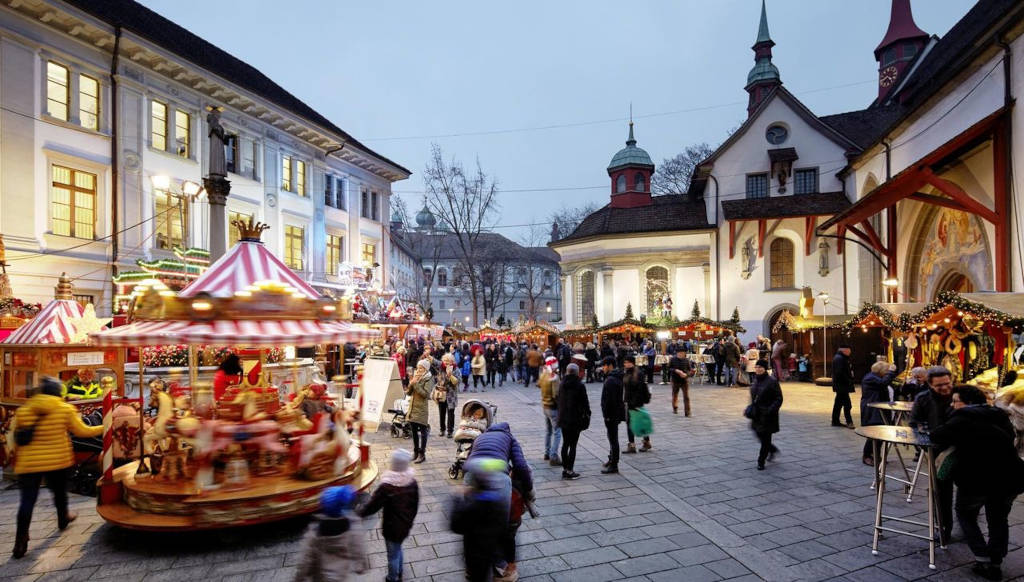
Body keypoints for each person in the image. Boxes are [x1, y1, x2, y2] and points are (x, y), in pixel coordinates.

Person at [930, 385, 1024, 581]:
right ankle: (996, 562)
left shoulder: (962, 418)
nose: (953, 404)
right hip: (1010, 477)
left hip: (976, 479)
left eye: (956, 401)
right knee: (999, 519)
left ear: (967, 403)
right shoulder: (999, 414)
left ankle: (983, 558)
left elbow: (936, 435)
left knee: (966, 514)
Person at [11, 377, 104, 559]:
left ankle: (20, 538)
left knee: (27, 501)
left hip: (29, 463)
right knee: (60, 492)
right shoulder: (64, 409)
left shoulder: (25, 409)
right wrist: (104, 426)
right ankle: (63, 518)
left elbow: (17, 437)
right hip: (57, 461)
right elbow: (82, 431)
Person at [465, 423, 534, 580]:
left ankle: (472, 567)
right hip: (498, 479)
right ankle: (504, 569)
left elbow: (467, 462)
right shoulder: (510, 438)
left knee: (474, 524)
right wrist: (528, 489)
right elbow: (521, 466)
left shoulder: (480, 437)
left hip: (473, 475)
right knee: (502, 527)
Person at [357, 450, 419, 582]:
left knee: (392, 555)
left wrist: (359, 513)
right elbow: (415, 504)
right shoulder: (412, 482)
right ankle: (400, 572)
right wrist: (409, 520)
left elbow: (372, 506)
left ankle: (392, 578)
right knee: (398, 549)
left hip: (391, 528)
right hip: (405, 525)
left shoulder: (387, 487)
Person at [911, 365, 956, 542]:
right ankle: (944, 529)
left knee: (969, 493)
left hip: (963, 449)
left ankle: (968, 524)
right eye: (939, 386)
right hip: (938, 451)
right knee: (942, 491)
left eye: (947, 383)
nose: (945, 388)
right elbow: (915, 423)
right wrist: (925, 443)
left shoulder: (960, 393)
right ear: (930, 385)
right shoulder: (923, 398)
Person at [451, 457, 512, 582]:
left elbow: (456, 526)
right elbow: (506, 533)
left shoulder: (470, 506)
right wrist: (510, 558)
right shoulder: (498, 503)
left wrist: (457, 500)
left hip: (473, 554)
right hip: (490, 552)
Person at [293, 485, 368, 581]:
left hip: (320, 576)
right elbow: (358, 547)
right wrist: (361, 564)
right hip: (340, 574)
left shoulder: (316, 531)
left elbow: (305, 558)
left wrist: (299, 577)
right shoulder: (352, 526)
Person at [859, 360, 897, 466]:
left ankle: (876, 456)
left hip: (879, 408)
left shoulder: (875, 377)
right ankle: (867, 456)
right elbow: (883, 383)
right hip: (872, 410)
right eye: (886, 370)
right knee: (873, 434)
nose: (887, 373)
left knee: (880, 433)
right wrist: (891, 372)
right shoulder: (871, 378)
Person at [557, 363, 591, 480]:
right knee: (573, 445)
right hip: (575, 419)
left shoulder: (562, 384)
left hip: (563, 418)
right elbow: (585, 403)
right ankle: (570, 470)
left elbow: (559, 400)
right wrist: (588, 414)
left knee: (565, 443)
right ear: (576, 372)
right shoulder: (579, 385)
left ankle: (565, 469)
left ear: (567, 371)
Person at [748, 360, 783, 471]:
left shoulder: (772, 381)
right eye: (756, 366)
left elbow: (779, 398)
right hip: (757, 414)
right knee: (758, 434)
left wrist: (770, 410)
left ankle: (761, 461)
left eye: (760, 367)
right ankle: (772, 449)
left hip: (768, 415)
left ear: (765, 368)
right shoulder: (755, 380)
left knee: (766, 438)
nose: (758, 369)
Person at [600, 356, 626, 474]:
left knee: (613, 439)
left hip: (611, 414)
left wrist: (608, 414)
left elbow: (610, 400)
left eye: (604, 365)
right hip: (615, 413)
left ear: (610, 365)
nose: (603, 368)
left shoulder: (611, 380)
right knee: (612, 438)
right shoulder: (616, 377)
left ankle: (614, 464)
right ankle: (611, 459)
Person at [622, 356, 652, 453]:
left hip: (636, 402)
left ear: (632, 363)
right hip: (629, 401)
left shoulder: (638, 373)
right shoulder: (627, 372)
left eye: (627, 362)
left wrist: (636, 403)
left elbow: (640, 389)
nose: (625, 364)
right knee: (629, 423)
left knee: (639, 423)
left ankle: (646, 442)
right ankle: (632, 445)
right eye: (625, 362)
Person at [406, 359, 433, 464]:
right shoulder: (416, 377)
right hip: (413, 408)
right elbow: (408, 393)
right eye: (418, 368)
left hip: (421, 409)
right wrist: (411, 383)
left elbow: (426, 394)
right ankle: (415, 452)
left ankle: (422, 454)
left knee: (423, 432)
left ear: (426, 369)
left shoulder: (428, 379)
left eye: (421, 368)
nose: (419, 370)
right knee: (413, 432)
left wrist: (416, 384)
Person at [538, 356, 562, 466]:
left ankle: (547, 453)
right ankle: (553, 456)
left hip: (545, 406)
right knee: (557, 432)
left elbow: (538, 385)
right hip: (553, 408)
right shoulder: (554, 377)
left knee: (548, 431)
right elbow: (556, 395)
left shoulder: (543, 375)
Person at [831, 345, 856, 428]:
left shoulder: (840, 358)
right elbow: (839, 373)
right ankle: (849, 422)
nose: (850, 352)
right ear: (844, 351)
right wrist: (848, 380)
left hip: (841, 386)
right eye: (849, 351)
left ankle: (835, 421)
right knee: (847, 405)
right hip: (842, 386)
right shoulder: (840, 359)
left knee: (838, 404)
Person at [438, 354, 460, 438]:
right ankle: (442, 429)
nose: (446, 362)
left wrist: (450, 376)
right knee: (441, 412)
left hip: (451, 395)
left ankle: (450, 431)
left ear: (452, 361)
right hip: (442, 393)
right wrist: (445, 378)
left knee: (451, 413)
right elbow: (440, 380)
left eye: (448, 360)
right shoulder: (441, 369)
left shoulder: (456, 369)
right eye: (445, 360)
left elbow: (458, 381)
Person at [667, 346, 693, 416]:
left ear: (684, 353)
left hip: (684, 381)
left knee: (686, 396)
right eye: (678, 353)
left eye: (681, 353)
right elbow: (669, 368)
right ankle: (675, 407)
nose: (680, 354)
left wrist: (686, 374)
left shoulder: (687, 360)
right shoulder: (672, 359)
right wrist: (676, 370)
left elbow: (690, 371)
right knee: (675, 395)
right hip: (675, 380)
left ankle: (687, 412)